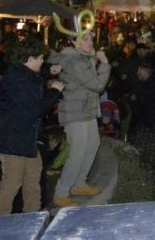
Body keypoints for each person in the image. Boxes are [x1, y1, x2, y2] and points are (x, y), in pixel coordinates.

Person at [0, 37, 65, 215]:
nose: (42, 61)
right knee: (12, 183)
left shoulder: (22, 72)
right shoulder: (19, 81)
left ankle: (33, 219)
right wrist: (55, 92)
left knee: (32, 183)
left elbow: (35, 76)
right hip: (13, 140)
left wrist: (48, 70)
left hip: (26, 138)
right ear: (29, 58)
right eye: (41, 58)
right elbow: (34, 109)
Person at [52, 30, 111, 207]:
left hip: (87, 110)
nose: (89, 43)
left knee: (92, 145)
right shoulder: (74, 60)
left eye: (91, 39)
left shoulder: (82, 58)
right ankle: (61, 192)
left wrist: (92, 58)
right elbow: (97, 85)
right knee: (77, 152)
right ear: (74, 42)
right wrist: (104, 63)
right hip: (75, 111)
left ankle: (79, 184)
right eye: (85, 39)